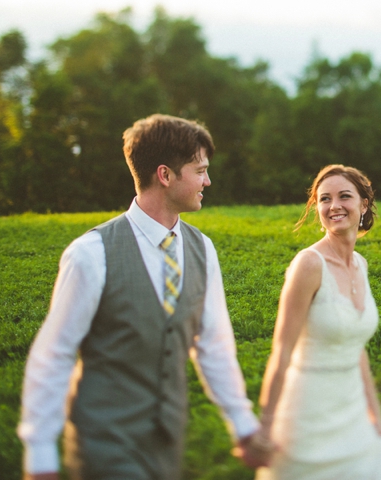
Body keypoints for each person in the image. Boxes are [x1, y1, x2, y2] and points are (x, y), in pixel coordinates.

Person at [17, 114, 265, 479]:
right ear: (165, 176)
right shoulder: (90, 254)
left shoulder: (202, 249)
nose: (208, 181)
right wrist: (40, 457)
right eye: (199, 171)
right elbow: (53, 355)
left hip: (167, 447)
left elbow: (213, 344)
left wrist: (243, 425)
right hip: (103, 447)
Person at [253, 165, 381, 479]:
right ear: (317, 209)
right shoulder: (308, 265)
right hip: (307, 416)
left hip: (351, 413)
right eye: (325, 199)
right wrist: (265, 427)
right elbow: (281, 351)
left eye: (344, 196)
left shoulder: (360, 265)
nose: (334, 205)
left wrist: (376, 418)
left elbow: (356, 348)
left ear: (364, 204)